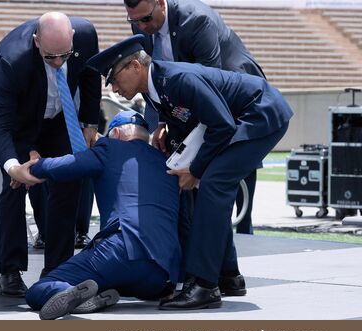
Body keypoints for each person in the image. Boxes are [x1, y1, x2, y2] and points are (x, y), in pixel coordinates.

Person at [86, 35, 292, 310]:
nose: (113, 88)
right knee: (207, 187)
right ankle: (228, 275)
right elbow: (188, 120)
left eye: (113, 78)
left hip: (260, 114)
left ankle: (205, 286)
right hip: (239, 118)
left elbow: (222, 125)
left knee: (214, 183)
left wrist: (195, 169)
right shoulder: (155, 88)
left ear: (135, 66)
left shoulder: (178, 79)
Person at [0, 13, 101, 297]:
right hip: (13, 120)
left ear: (73, 41)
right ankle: (10, 270)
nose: (57, 63)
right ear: (36, 41)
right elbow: (0, 121)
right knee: (15, 186)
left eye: (64, 55)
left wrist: (90, 122)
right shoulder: (12, 60)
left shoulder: (87, 36)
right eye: (50, 56)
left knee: (69, 177)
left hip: (56, 117)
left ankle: (58, 268)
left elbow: (90, 74)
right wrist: (13, 165)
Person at [15, 111, 181, 319]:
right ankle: (98, 294)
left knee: (39, 291)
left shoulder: (110, 147)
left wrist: (30, 169)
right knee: (118, 280)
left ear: (118, 133)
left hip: (120, 249)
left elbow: (68, 164)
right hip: (160, 273)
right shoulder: (166, 162)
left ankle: (77, 295)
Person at [124, 0, 265, 236]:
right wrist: (161, 121)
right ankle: (203, 230)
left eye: (146, 19)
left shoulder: (197, 20)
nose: (141, 26)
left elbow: (210, 82)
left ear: (160, 3)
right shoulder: (142, 23)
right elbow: (155, 76)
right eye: (134, 21)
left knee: (235, 154)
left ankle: (243, 226)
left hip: (233, 88)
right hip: (186, 93)